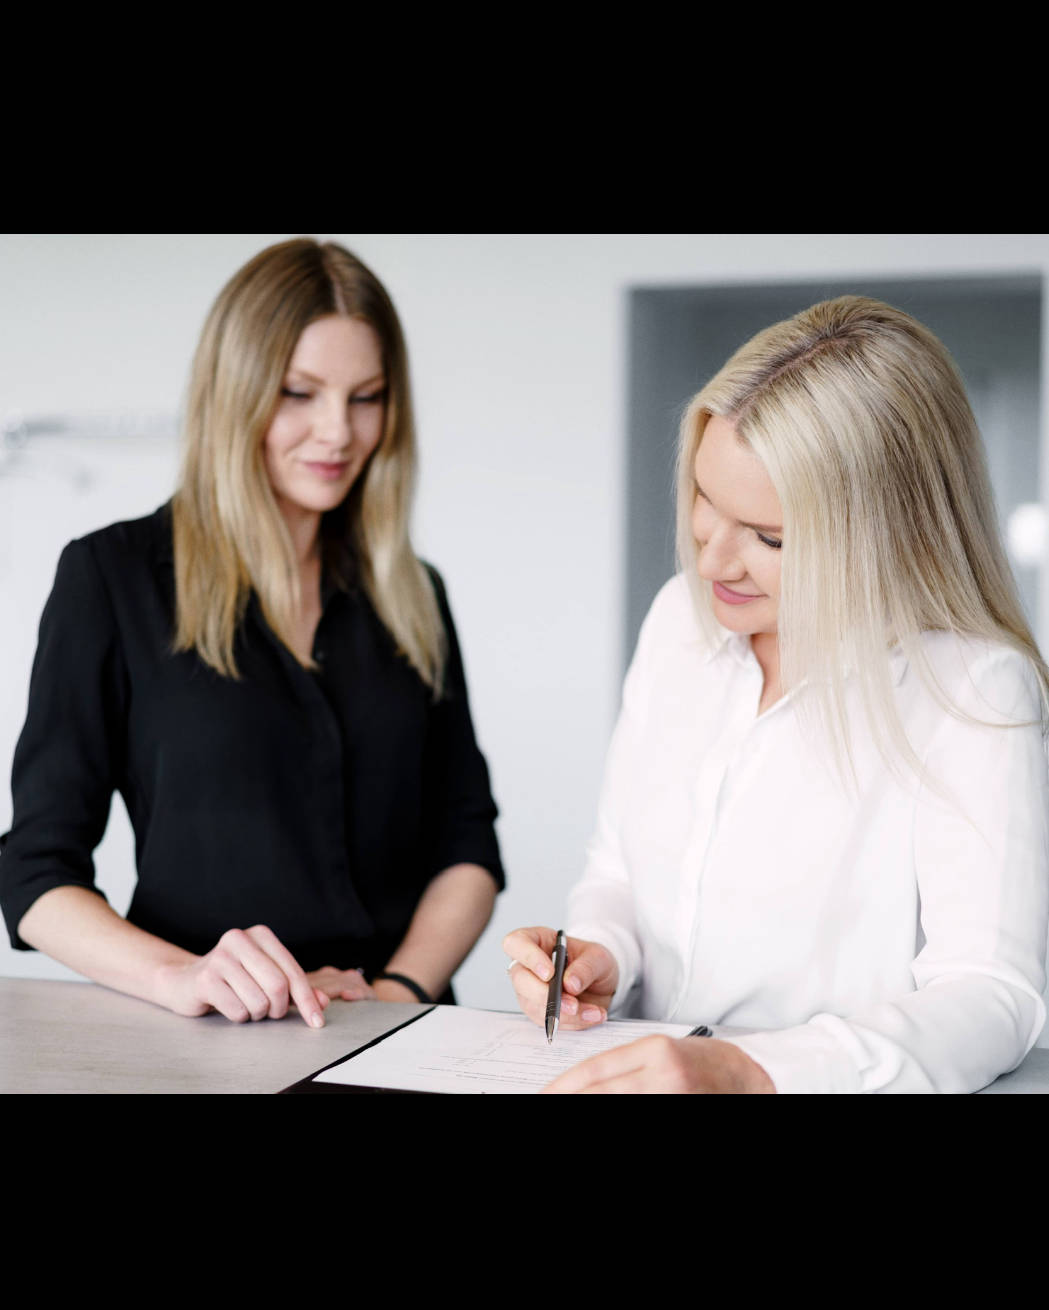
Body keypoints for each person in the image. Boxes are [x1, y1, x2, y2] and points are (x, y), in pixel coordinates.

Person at [505, 295, 1049, 1094]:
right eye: (704, 499)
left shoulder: (973, 687)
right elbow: (617, 868)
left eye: (769, 537)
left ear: (883, 533)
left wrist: (749, 1071)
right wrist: (598, 955)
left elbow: (990, 995)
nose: (712, 561)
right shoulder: (677, 622)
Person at [0, 237, 504, 1029]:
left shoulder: (413, 593)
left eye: (366, 397)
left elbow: (467, 845)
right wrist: (181, 976)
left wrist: (396, 996)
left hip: (401, 1036)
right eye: (299, 393)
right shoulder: (112, 579)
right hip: (204, 1041)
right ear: (233, 391)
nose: (338, 432)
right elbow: (34, 873)